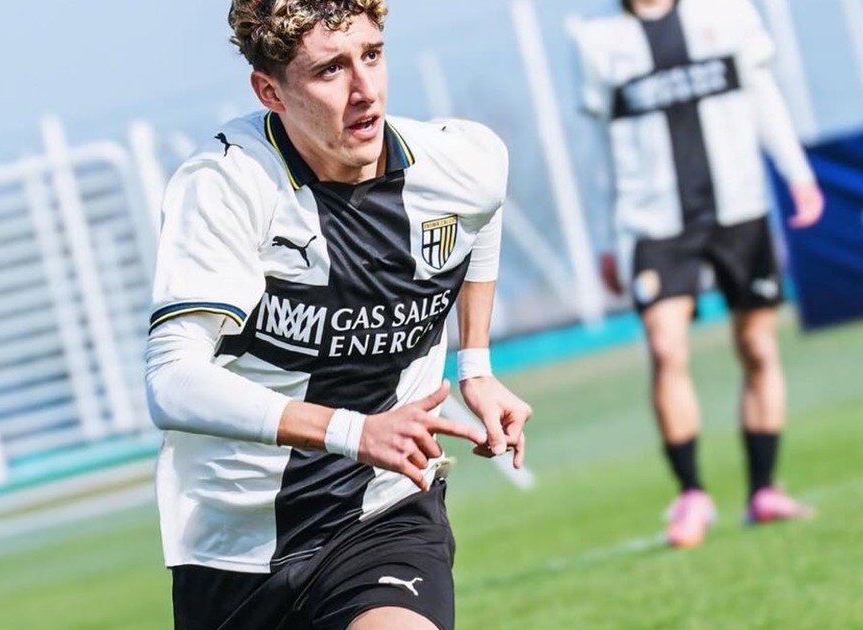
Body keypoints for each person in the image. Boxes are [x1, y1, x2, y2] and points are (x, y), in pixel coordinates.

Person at [143, 1, 532, 628]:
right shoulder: (226, 186)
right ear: (270, 91)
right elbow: (171, 380)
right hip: (232, 543)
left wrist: (477, 365)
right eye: (330, 70)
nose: (364, 90)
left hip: (382, 514)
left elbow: (484, 206)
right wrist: (354, 431)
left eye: (371, 56)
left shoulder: (458, 163)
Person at [571, 0, 824, 548]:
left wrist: (798, 174)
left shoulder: (727, 13)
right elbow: (599, 147)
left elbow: (763, 95)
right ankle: (691, 493)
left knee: (758, 346)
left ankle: (763, 489)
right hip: (653, 224)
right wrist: (604, 238)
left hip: (739, 210)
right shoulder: (597, 40)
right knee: (666, 349)